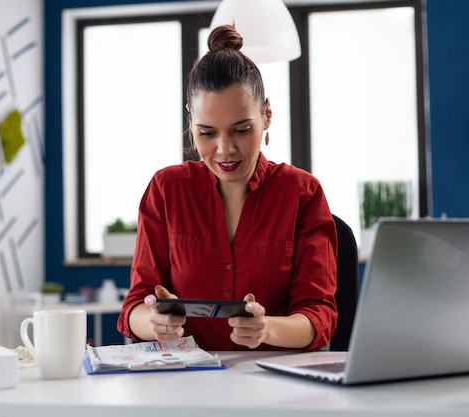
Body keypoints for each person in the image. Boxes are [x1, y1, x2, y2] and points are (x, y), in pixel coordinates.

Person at [118, 24, 338, 351]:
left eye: (241, 130)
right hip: (186, 383)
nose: (224, 150)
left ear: (266, 115)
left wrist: (267, 329)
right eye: (207, 133)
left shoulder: (302, 193)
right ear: (191, 121)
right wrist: (154, 321)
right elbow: (135, 306)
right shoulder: (166, 189)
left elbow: (319, 316)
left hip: (274, 384)